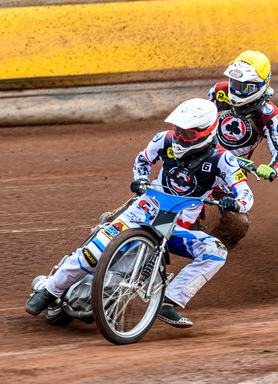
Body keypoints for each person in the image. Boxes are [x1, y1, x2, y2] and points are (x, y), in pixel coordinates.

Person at [25, 98, 254, 328]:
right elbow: (143, 159)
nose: (180, 137)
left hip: (175, 227)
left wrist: (235, 204)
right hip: (144, 210)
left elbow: (246, 194)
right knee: (93, 252)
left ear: (206, 132)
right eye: (178, 130)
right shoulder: (163, 139)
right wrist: (141, 179)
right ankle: (50, 290)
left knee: (215, 251)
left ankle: (169, 301)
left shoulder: (223, 159)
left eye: (188, 134)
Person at [206, 50, 278, 248]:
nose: (237, 90)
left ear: (261, 86)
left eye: (245, 87)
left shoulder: (270, 115)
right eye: (235, 84)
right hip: (201, 156)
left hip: (229, 172)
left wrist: (272, 169)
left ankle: (211, 250)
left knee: (237, 224)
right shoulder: (219, 91)